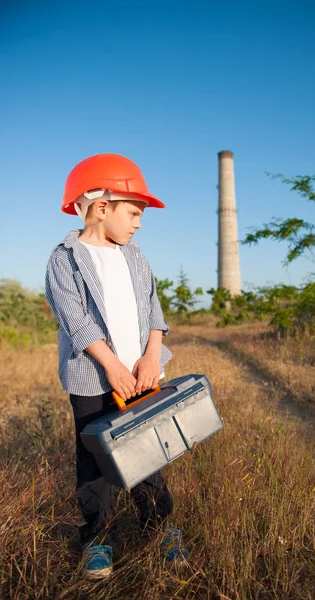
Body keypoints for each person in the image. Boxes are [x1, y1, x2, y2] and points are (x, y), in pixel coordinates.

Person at [45, 153, 188, 579]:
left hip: (141, 374)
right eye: (134, 212)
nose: (139, 222)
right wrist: (111, 366)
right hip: (94, 378)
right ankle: (97, 538)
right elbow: (76, 320)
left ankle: (159, 526)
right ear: (101, 208)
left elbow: (153, 309)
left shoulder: (136, 256)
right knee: (95, 462)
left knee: (148, 451)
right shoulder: (64, 258)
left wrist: (150, 356)